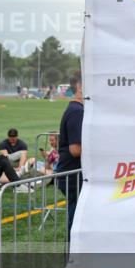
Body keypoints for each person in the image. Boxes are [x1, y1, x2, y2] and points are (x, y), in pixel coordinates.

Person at [56, 71, 84, 237]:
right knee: (76, 219)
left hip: (72, 174)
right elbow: (75, 150)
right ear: (80, 87)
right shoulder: (77, 111)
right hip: (73, 175)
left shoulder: (76, 109)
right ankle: (72, 250)